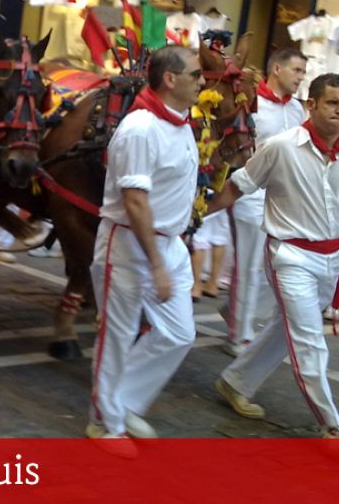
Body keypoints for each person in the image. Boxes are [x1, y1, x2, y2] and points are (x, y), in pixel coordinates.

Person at [209, 73, 339, 438]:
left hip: (332, 259)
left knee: (284, 327)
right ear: (312, 105)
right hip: (288, 255)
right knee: (308, 338)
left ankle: (235, 381)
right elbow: (238, 186)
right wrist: (191, 219)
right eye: (332, 103)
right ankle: (332, 426)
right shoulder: (280, 147)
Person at [88, 46, 204, 440]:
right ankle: (106, 423)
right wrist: (156, 263)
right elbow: (135, 201)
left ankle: (121, 401)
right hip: (130, 245)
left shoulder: (181, 121)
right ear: (170, 79)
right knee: (117, 335)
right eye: (196, 74)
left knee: (179, 333)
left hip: (168, 243)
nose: (203, 82)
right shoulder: (140, 128)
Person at [223, 48, 308, 355]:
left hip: (283, 195)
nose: (301, 78)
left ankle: (233, 309)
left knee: (277, 265)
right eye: (296, 71)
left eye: (302, 72)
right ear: (276, 69)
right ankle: (240, 334)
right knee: (248, 264)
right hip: (250, 190)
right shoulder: (251, 103)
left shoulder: (298, 110)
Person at [190, 209, 229, 301]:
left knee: (199, 237)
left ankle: (196, 286)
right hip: (225, 199)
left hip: (205, 199)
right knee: (219, 238)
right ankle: (213, 284)